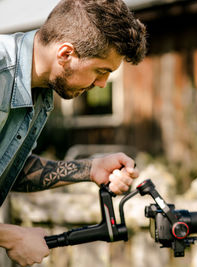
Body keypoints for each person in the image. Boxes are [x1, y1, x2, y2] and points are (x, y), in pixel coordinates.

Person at [0, 0, 147, 265]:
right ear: (66, 54)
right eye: (100, 71)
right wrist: (10, 237)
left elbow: (11, 169)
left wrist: (90, 169)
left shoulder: (40, 91)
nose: (102, 84)